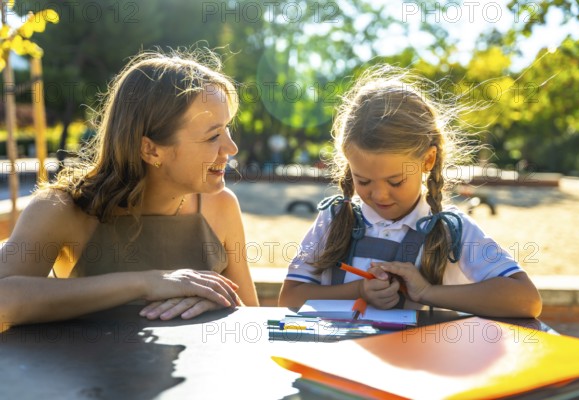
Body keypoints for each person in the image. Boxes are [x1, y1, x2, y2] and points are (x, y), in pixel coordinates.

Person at [0, 50, 259, 327]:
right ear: (151, 149)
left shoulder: (222, 206)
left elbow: (251, 324)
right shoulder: (61, 208)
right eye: (213, 136)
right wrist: (146, 283)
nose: (231, 148)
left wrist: (219, 302)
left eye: (227, 129)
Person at [279, 66, 542, 318]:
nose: (380, 195)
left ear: (427, 160)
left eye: (395, 182)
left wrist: (428, 292)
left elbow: (526, 300)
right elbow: (290, 298)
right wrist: (358, 291)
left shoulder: (451, 228)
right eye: (364, 181)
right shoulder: (334, 219)